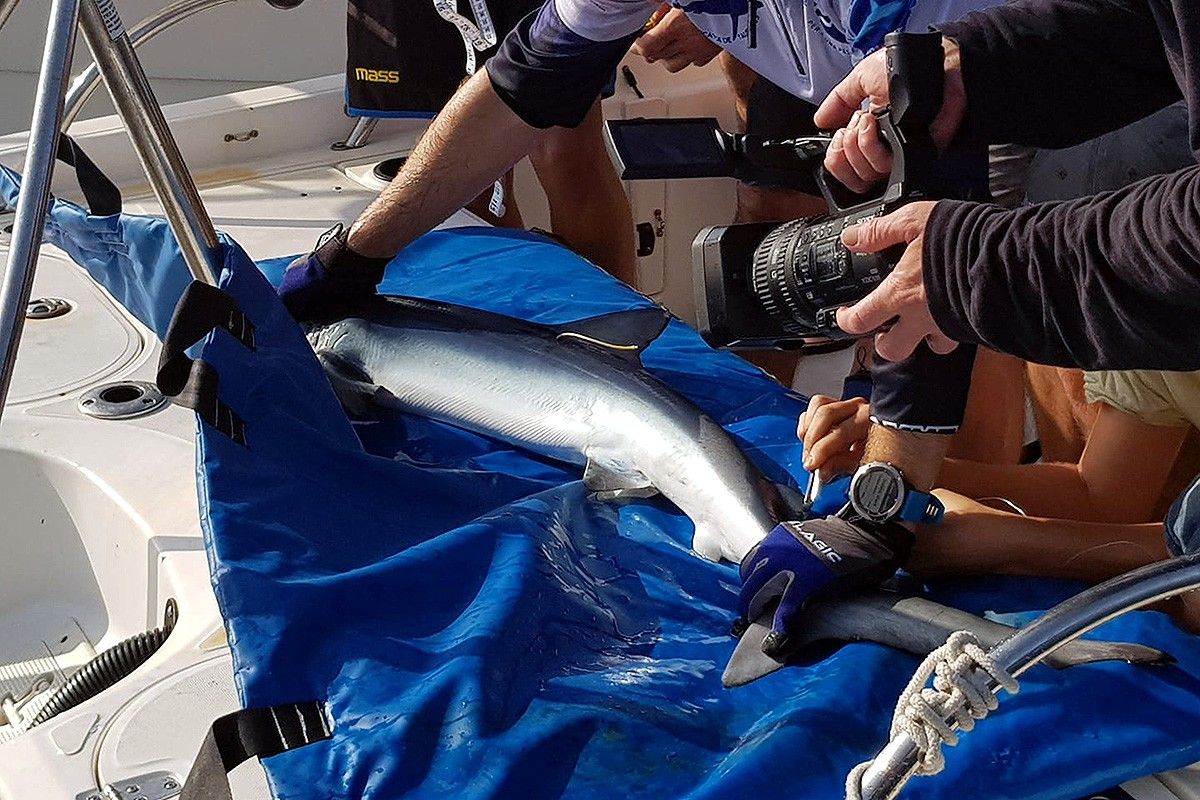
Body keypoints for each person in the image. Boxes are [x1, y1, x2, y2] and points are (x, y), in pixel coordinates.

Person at [276, 0, 1043, 658]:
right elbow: (520, 87)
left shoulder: (907, 20)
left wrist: (887, 500)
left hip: (1053, 101)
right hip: (898, 97)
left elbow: (937, 235)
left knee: (992, 302)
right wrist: (357, 249)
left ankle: (991, 542)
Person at [744, 0, 1200, 635]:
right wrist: (903, 481)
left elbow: (1192, 571)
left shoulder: (1159, 284)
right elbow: (1105, 495)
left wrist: (981, 539)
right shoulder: (1149, 320)